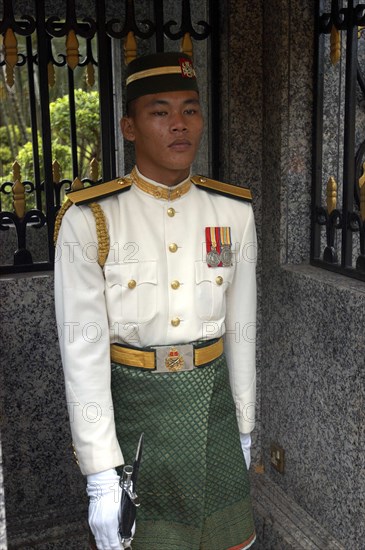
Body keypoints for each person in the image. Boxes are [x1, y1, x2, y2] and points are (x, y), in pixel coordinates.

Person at [54, 51, 257, 550]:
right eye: (160, 112)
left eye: (190, 109)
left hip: (213, 417)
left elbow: (242, 327)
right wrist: (101, 471)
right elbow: (82, 352)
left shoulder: (231, 212)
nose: (179, 125)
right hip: (135, 420)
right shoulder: (91, 218)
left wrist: (246, 426)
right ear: (129, 126)